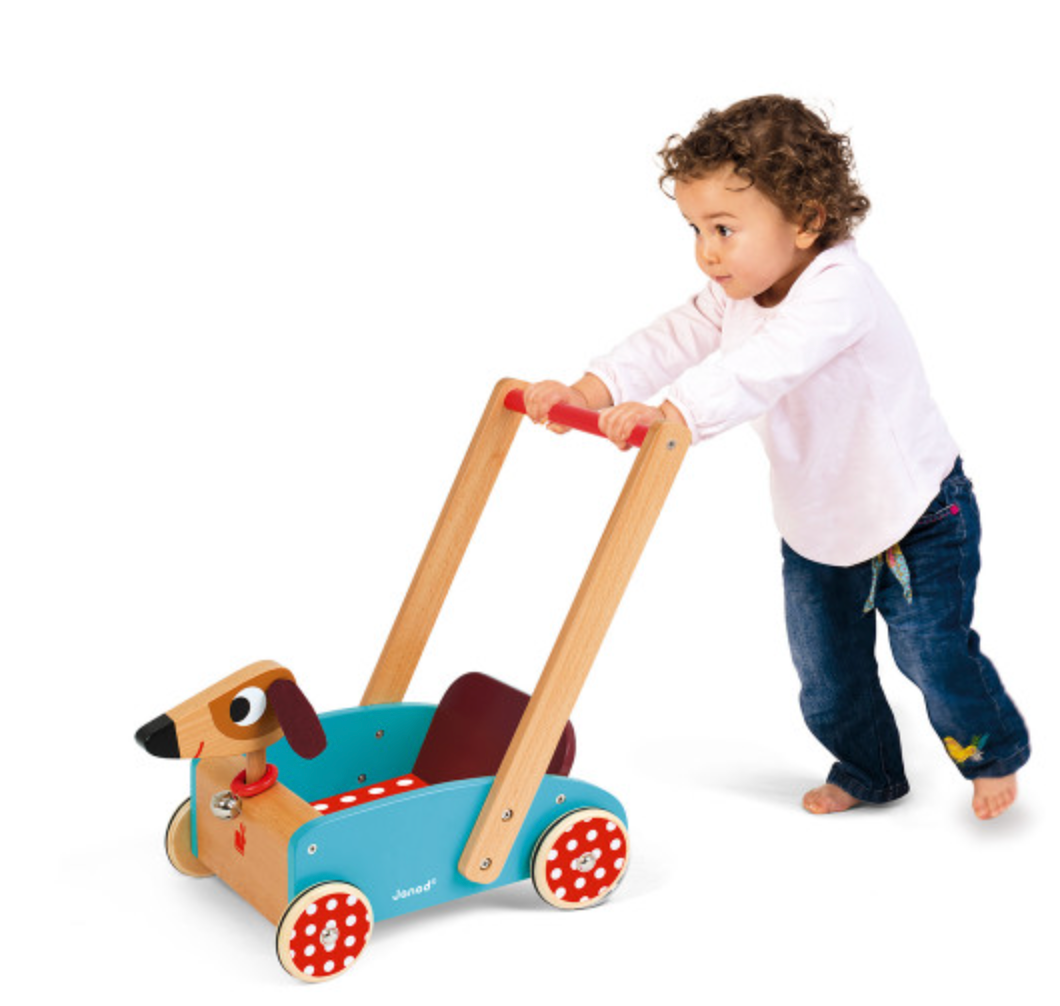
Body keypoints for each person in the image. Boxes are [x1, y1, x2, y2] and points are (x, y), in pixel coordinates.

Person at [523, 95, 1029, 820]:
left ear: (807, 219)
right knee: (826, 673)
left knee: (931, 656)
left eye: (725, 229)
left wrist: (674, 415)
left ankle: (992, 753)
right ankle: (870, 771)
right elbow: (670, 338)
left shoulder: (840, 292)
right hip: (819, 522)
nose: (707, 251)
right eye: (696, 230)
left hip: (917, 514)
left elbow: (766, 365)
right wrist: (589, 388)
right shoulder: (735, 293)